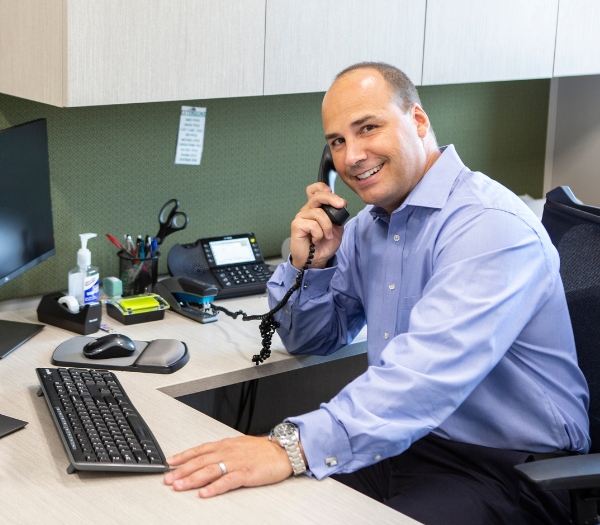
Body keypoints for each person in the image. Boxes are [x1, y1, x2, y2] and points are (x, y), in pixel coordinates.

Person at [164, 62, 590, 525]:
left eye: (368, 128)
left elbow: (424, 378)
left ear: (419, 121)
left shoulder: (489, 228)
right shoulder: (370, 227)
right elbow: (313, 339)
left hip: (508, 471)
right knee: (262, 508)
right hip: (406, 441)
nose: (351, 157)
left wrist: (289, 446)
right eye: (337, 142)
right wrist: (313, 264)